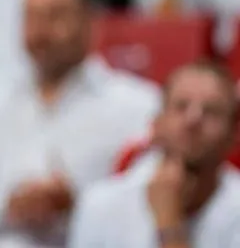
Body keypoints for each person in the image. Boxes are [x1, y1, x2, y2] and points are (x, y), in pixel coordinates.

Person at [68, 61, 240, 248]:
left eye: (211, 111)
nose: (193, 119)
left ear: (233, 133)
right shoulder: (101, 205)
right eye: (181, 106)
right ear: (156, 124)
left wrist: (170, 224)